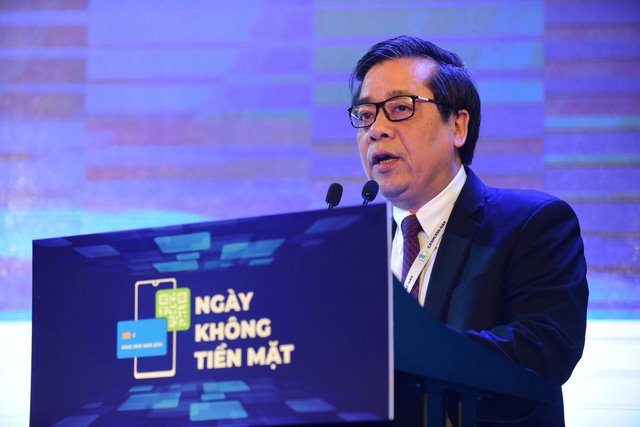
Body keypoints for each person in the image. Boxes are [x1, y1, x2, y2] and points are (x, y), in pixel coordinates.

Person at [348, 35, 588, 426]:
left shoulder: (533, 224)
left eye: (400, 108)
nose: (376, 129)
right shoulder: (357, 252)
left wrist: (403, 353)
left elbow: (545, 348)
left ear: (458, 126)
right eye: (365, 114)